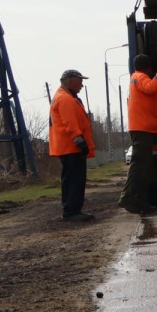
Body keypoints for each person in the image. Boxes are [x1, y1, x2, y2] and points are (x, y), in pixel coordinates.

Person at [117, 55, 157, 215]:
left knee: (143, 165)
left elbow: (152, 93)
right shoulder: (140, 77)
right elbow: (151, 87)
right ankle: (129, 197)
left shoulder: (136, 78)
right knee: (140, 165)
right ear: (148, 67)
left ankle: (139, 200)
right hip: (142, 128)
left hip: (142, 127)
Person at [49, 69, 96, 222]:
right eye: (79, 81)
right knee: (75, 179)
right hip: (71, 147)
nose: (82, 84)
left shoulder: (64, 97)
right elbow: (70, 123)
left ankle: (71, 210)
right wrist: (80, 142)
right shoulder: (65, 99)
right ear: (70, 81)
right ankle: (72, 211)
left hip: (67, 147)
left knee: (70, 178)